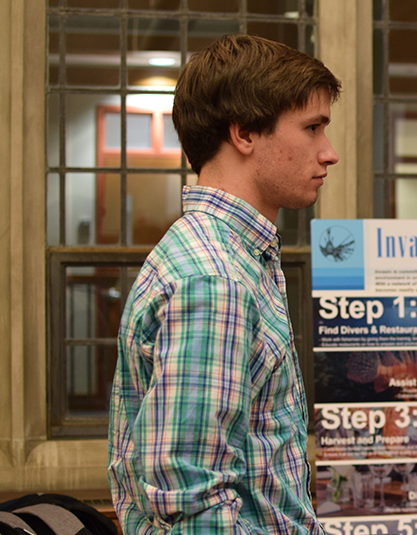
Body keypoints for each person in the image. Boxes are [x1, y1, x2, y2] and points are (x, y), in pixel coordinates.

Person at [108, 34, 340, 534]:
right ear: (244, 134)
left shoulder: (230, 257)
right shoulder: (214, 280)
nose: (329, 152)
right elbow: (190, 497)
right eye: (312, 128)